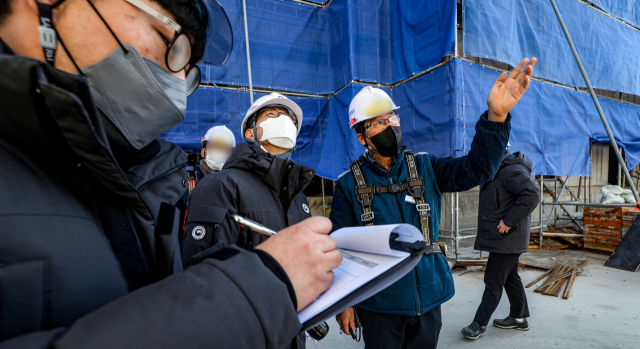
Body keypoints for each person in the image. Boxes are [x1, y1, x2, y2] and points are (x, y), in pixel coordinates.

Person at [0, 0, 341, 347]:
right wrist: (263, 287)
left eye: (189, 71)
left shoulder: (139, 182)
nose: (176, 82)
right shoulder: (217, 184)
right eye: (170, 40)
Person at [330, 57, 537, 349]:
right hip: (380, 305)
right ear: (362, 137)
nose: (389, 125)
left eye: (391, 118)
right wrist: (344, 303)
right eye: (378, 123)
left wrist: (496, 117)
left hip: (428, 299)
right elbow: (341, 250)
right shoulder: (348, 185)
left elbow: (478, 169)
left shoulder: (426, 168)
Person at [181, 92, 314, 348]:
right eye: (273, 114)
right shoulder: (221, 186)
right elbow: (205, 279)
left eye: (289, 118)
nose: (284, 121)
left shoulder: (298, 196)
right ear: (251, 132)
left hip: (291, 329)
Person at [461, 143, 540, 340]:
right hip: (506, 238)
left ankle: (478, 324)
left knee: (493, 281)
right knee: (510, 278)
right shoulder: (498, 170)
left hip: (508, 238)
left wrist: (508, 221)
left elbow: (532, 194)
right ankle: (519, 318)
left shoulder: (511, 171)